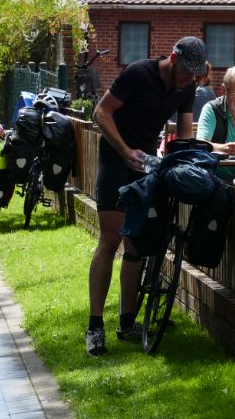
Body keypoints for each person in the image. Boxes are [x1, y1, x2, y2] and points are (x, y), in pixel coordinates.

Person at [86, 36, 207, 355]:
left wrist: (189, 158)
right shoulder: (139, 74)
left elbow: (183, 134)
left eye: (194, 75)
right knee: (110, 239)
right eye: (186, 72)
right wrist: (125, 151)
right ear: (173, 58)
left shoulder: (187, 87)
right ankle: (95, 326)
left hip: (146, 161)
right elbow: (102, 113)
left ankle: (127, 322)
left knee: (137, 244)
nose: (189, 80)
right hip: (116, 157)